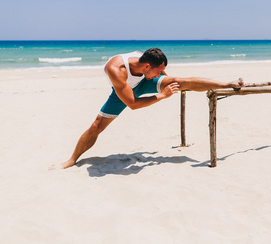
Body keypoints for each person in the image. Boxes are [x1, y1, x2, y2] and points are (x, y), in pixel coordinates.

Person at [59, 48, 244, 169]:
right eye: (158, 70)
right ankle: (72, 159)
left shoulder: (147, 63)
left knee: (181, 81)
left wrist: (166, 79)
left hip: (144, 82)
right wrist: (163, 95)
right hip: (123, 90)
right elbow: (132, 104)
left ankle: (226, 83)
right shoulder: (116, 70)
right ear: (147, 66)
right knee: (96, 127)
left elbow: (161, 74)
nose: (160, 73)